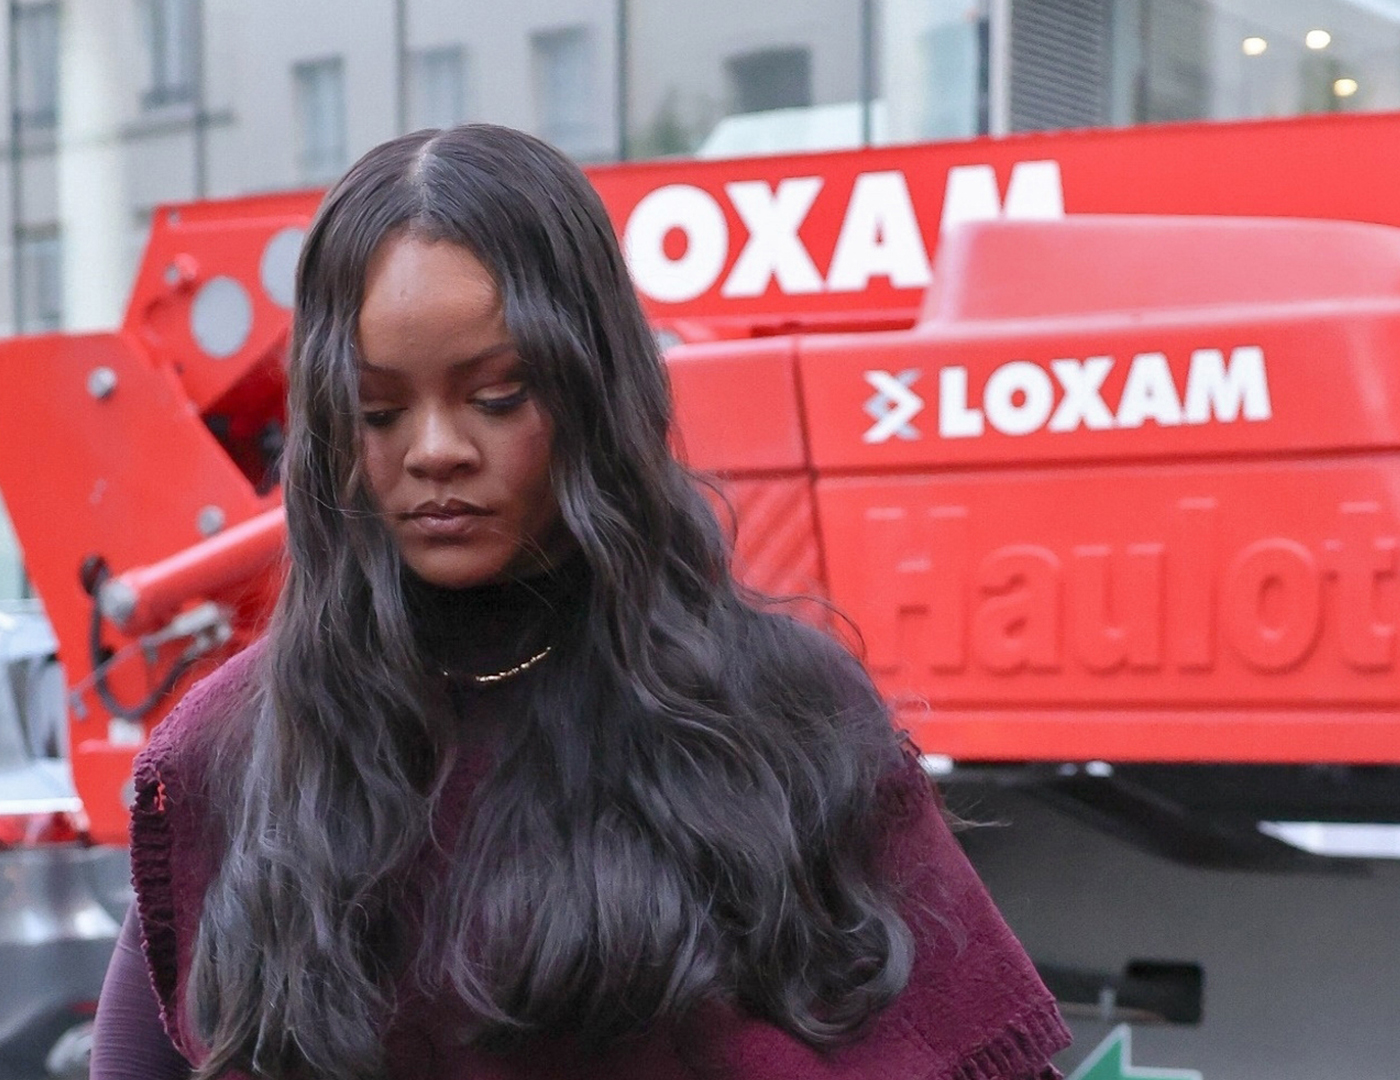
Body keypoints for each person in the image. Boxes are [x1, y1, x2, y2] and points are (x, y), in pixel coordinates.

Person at [90, 124, 1070, 1080]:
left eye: (497, 396)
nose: (434, 448)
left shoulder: (787, 722)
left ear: (594, 392)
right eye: (380, 410)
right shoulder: (227, 757)